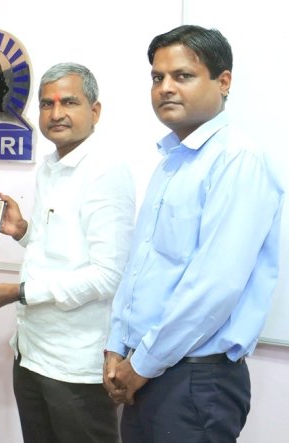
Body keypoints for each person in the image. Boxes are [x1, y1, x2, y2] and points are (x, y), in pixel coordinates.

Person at [102, 25, 284, 442]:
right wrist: (116, 345)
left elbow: (213, 288)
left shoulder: (238, 159)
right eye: (157, 77)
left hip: (194, 381)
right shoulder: (172, 161)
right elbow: (139, 266)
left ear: (224, 82)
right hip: (147, 368)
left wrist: (141, 364)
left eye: (182, 76)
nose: (165, 88)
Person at [0, 62, 135, 443]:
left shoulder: (106, 171)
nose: (56, 113)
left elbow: (107, 276)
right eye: (46, 103)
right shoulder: (49, 167)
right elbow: (61, 251)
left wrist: (19, 292)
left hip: (75, 366)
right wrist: (24, 233)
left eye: (69, 102)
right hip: (31, 353)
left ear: (95, 111)